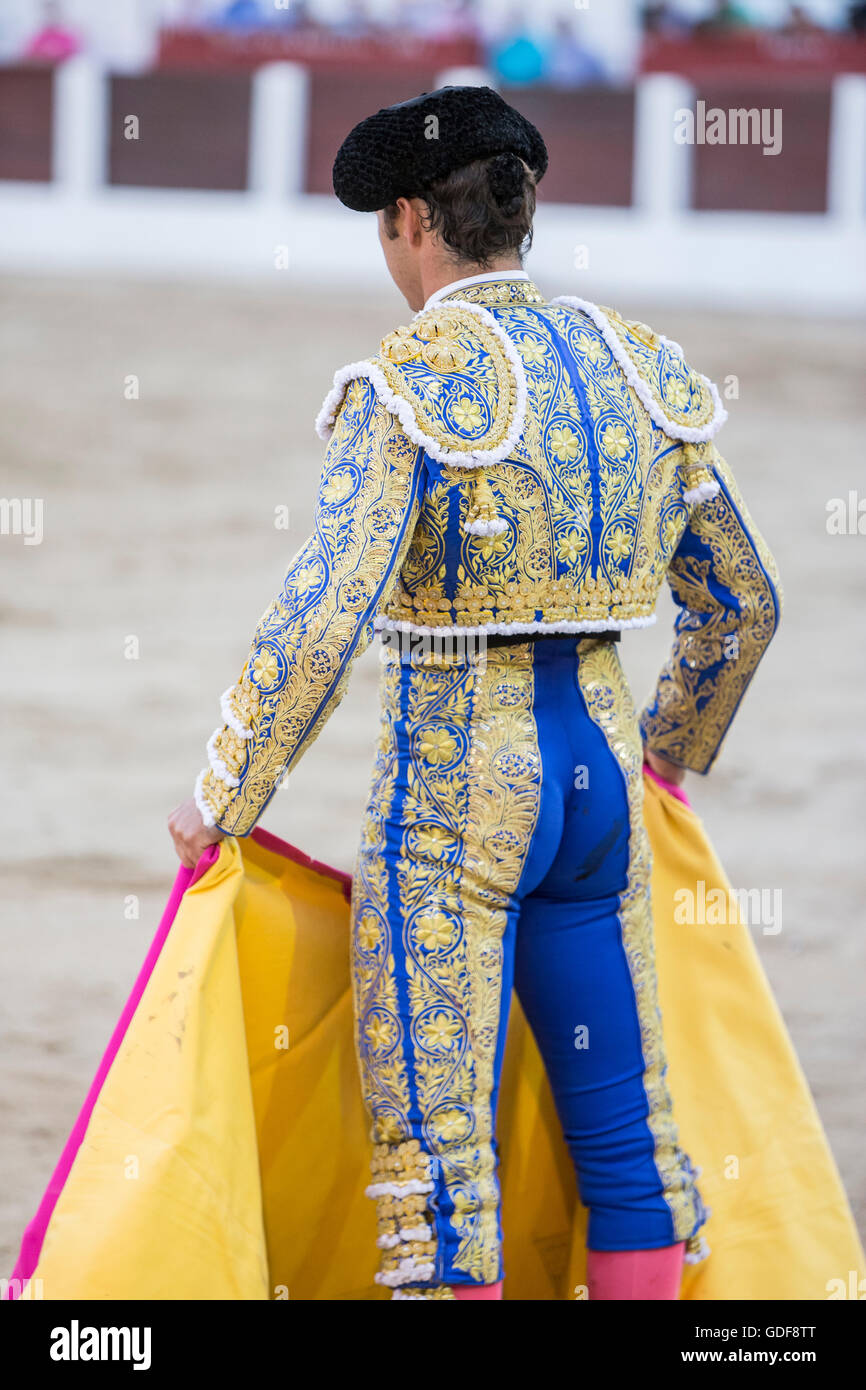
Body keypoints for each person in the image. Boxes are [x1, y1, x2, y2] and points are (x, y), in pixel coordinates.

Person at [168, 85, 782, 1300]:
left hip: (457, 793)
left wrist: (221, 796)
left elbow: (319, 621)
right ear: (521, 212)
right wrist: (661, 756)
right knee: (626, 1142)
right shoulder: (639, 369)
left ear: (408, 220)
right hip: (598, 780)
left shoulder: (410, 378)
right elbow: (743, 603)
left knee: (438, 1173)